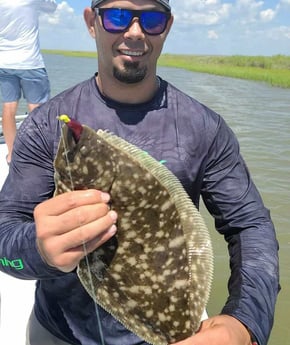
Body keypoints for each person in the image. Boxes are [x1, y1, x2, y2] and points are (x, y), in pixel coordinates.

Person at [0, 0, 279, 345]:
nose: (134, 32)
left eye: (151, 19)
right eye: (117, 17)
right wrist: (38, 249)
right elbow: (4, 242)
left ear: (167, 27)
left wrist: (244, 325)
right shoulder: (46, 126)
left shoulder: (204, 128)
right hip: (59, 332)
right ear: (92, 22)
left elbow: (250, 226)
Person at [0, 0, 57, 164]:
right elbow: (52, 8)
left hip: (4, 62)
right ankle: (39, 156)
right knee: (37, 109)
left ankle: (12, 155)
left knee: (9, 107)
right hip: (30, 62)